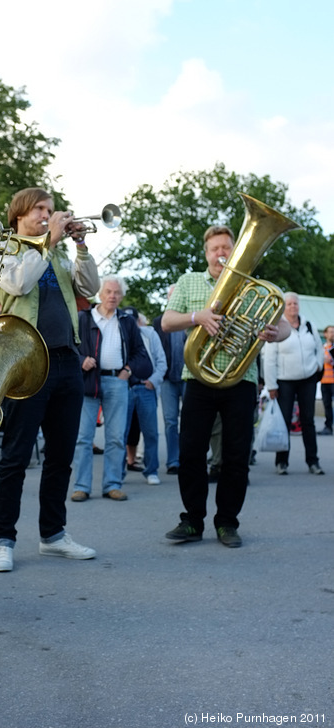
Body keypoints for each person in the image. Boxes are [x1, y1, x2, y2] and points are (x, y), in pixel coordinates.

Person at [0, 188, 99, 573]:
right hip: (27, 364)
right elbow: (18, 285)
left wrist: (81, 247)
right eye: (40, 209)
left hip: (67, 362)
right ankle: (3, 538)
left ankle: (53, 535)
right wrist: (48, 240)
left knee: (61, 456)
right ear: (20, 214)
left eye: (51, 210)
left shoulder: (60, 255)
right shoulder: (8, 249)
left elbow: (90, 288)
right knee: (16, 456)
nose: (48, 215)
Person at [161, 225, 290, 548]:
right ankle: (192, 520)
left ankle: (227, 522)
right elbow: (166, 321)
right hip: (198, 379)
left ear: (235, 250)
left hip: (240, 381)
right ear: (206, 253)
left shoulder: (256, 287)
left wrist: (276, 334)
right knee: (191, 452)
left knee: (235, 456)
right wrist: (198, 316)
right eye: (215, 248)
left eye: (227, 248)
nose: (221, 253)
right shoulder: (190, 281)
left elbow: (285, 325)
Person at [71, 276, 152, 501]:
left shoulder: (126, 321)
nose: (112, 296)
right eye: (108, 291)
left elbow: (140, 353)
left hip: (117, 382)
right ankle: (81, 486)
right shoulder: (83, 318)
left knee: (116, 437)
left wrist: (128, 369)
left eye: (116, 293)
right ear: (100, 294)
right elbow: (70, 347)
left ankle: (112, 484)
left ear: (122, 296)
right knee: (83, 437)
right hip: (89, 382)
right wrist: (81, 361)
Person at [262, 293, 325, 474]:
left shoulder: (309, 325)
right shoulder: (278, 326)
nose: (292, 307)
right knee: (284, 420)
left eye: (295, 303)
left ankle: (313, 461)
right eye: (289, 304)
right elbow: (269, 359)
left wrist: (318, 366)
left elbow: (318, 349)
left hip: (308, 380)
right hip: (284, 381)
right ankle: (282, 462)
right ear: (284, 307)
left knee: (308, 421)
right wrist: (271, 385)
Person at [122, 309, 167, 485]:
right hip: (125, 389)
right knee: (121, 433)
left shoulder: (150, 335)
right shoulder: (121, 334)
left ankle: (151, 470)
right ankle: (117, 473)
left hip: (146, 388)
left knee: (151, 433)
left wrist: (153, 381)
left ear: (139, 321)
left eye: (134, 321)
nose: (131, 325)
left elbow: (162, 362)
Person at [153, 285, 186, 474]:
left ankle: (188, 458)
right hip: (167, 379)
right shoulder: (159, 322)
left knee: (190, 421)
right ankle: (173, 461)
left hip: (189, 377)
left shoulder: (191, 319)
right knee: (170, 421)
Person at [318, 325, 334, 436]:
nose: (332, 334)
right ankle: (328, 426)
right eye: (330, 332)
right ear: (325, 334)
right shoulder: (321, 349)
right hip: (324, 381)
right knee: (327, 405)